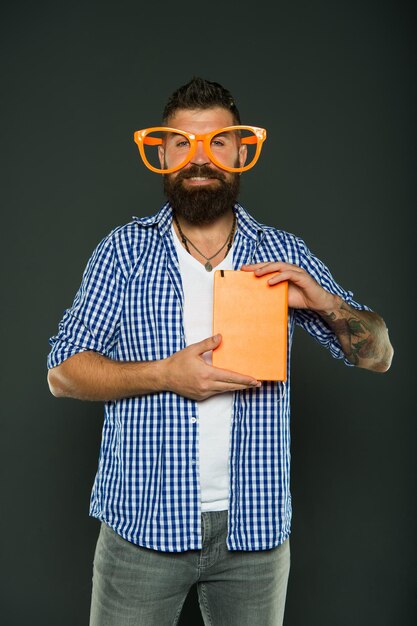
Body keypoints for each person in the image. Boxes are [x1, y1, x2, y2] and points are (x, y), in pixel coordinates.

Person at [47, 77, 394, 626]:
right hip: (141, 530)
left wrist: (325, 303)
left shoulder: (284, 253)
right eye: (184, 143)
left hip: (254, 538)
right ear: (162, 153)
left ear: (240, 153)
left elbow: (378, 355)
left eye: (217, 142)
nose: (200, 158)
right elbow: (62, 373)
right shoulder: (122, 252)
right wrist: (165, 374)